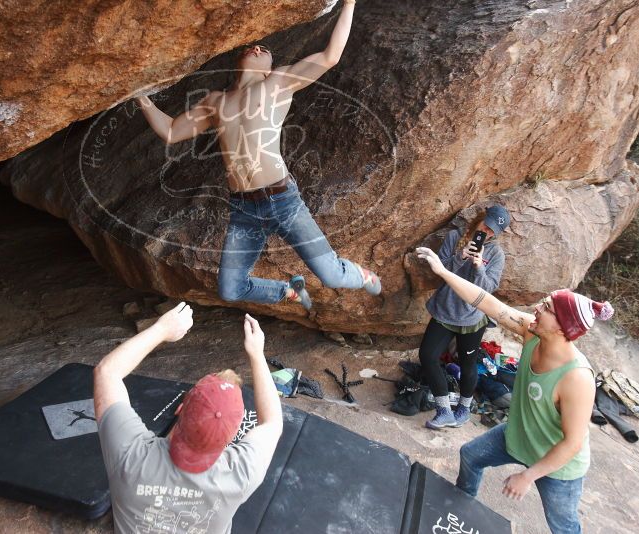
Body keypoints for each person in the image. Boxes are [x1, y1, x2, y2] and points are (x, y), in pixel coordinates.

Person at [136, 0, 380, 311]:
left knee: (330, 275)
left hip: (283, 201)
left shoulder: (278, 83)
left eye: (265, 48)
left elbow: (330, 56)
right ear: (237, 59)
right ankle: (287, 292)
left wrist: (348, 4)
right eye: (251, 46)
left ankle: (360, 275)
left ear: (269, 66)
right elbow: (171, 131)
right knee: (230, 288)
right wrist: (139, 97)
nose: (257, 47)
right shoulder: (214, 102)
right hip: (243, 209)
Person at [416, 246, 614, 534]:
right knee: (471, 456)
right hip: (518, 436)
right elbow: (488, 302)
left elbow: (571, 443)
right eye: (543, 303)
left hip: (556, 465)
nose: (537, 308)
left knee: (563, 526)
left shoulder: (577, 379)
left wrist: (528, 476)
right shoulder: (531, 331)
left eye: (547, 309)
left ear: (564, 328)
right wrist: (444, 272)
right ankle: (458, 508)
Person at [93, 302, 282, 533]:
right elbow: (273, 421)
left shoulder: (130, 457)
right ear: (236, 434)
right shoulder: (241, 474)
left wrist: (161, 329)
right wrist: (257, 354)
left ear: (179, 409)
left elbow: (107, 373)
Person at [420, 205, 510, 429]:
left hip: (472, 317)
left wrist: (479, 266)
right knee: (428, 355)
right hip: (445, 310)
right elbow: (438, 270)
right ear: (480, 219)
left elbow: (488, 288)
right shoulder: (455, 237)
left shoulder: (495, 254)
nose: (486, 233)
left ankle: (464, 409)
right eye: (485, 226)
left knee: (468, 364)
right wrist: (461, 256)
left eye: (492, 232)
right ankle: (444, 410)